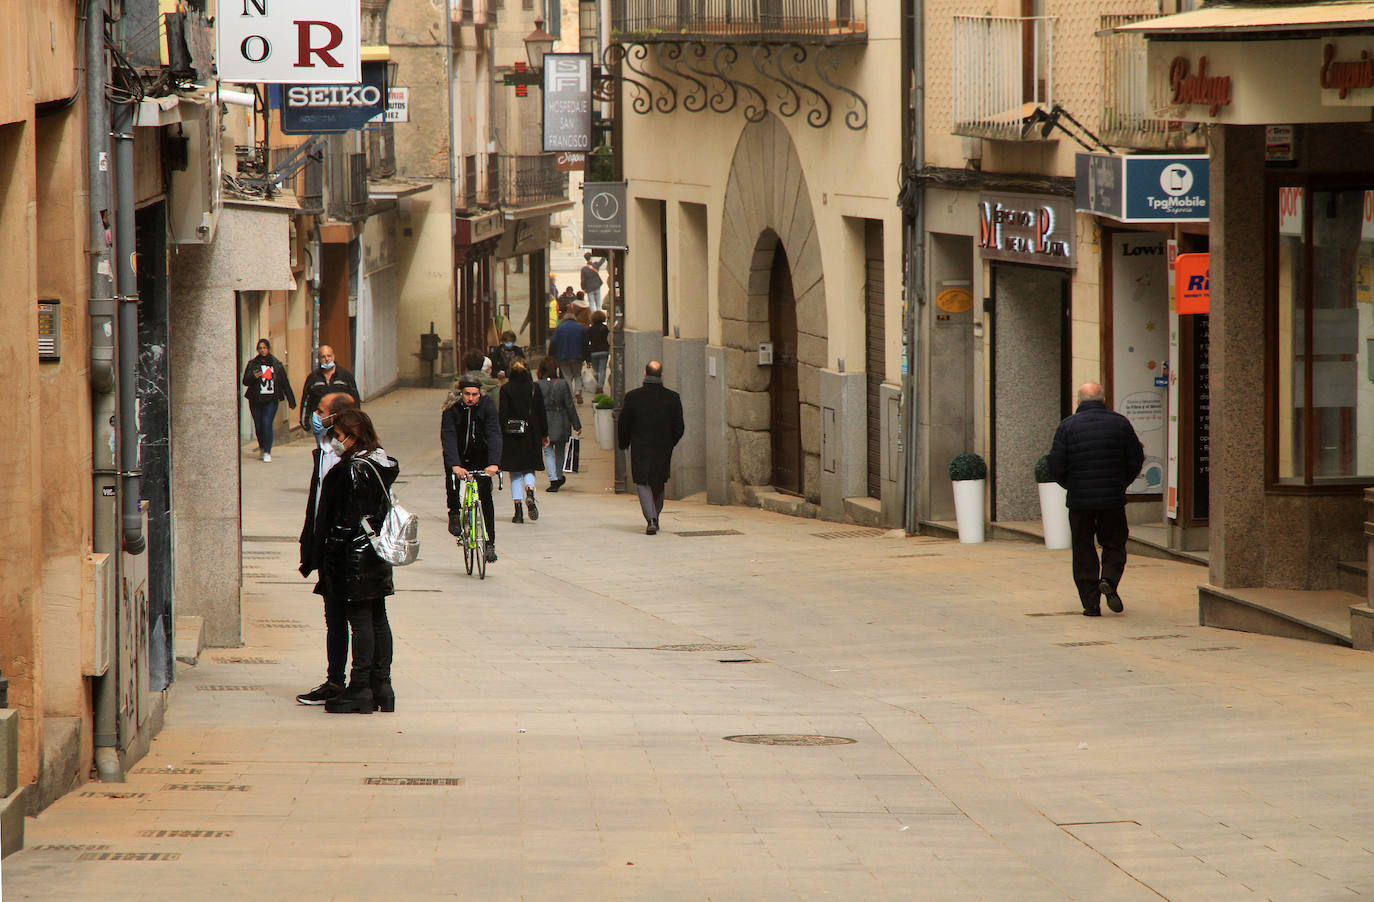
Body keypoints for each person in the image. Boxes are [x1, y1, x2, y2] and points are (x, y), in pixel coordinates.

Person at [298, 408, 398, 714]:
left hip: (352, 557)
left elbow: (343, 520)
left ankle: (360, 688)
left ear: (353, 437)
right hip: (376, 551)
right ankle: (381, 685)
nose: (335, 442)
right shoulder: (379, 463)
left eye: (339, 436)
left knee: (360, 621)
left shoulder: (351, 469)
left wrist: (326, 554)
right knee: (377, 617)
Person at [1048, 382, 1145, 617]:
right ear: (1103, 400)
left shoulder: (1067, 426)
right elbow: (1135, 458)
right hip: (1112, 499)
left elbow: (1056, 465)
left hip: (1080, 501)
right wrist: (1121, 483)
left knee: (1083, 548)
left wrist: (1071, 485)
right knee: (1114, 542)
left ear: (1078, 401)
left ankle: (1091, 604)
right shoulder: (1120, 423)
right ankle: (1109, 580)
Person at [295, 391, 359, 706]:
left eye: (320, 411)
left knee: (350, 616)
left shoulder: (351, 458)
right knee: (333, 615)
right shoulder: (325, 451)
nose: (315, 417)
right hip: (327, 545)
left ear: (336, 418)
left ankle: (350, 682)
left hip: (345, 550)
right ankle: (336, 678)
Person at [618, 361, 684, 535]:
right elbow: (679, 427)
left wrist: (624, 442)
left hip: (641, 446)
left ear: (644, 374)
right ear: (661, 376)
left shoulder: (633, 397)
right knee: (658, 481)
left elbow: (624, 424)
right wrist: (670, 442)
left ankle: (651, 518)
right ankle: (654, 514)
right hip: (663, 447)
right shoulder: (673, 398)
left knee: (642, 482)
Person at [440, 377, 502, 563]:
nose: (471, 398)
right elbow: (448, 436)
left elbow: (494, 433)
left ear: (479, 394)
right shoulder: (452, 408)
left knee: (486, 497)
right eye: (467, 394)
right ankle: (453, 512)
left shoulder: (487, 406)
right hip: (458, 455)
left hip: (480, 456)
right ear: (461, 393)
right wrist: (455, 465)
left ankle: (489, 543)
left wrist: (494, 463)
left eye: (474, 394)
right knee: (452, 480)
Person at [498, 359, 549, 523]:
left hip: (512, 433)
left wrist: (501, 432)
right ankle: (530, 491)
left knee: (514, 472)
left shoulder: (505, 389)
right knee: (529, 467)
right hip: (532, 432)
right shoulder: (534, 387)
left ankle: (518, 512)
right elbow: (541, 412)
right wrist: (544, 434)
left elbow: (503, 413)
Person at [241, 338, 296, 462]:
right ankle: (262, 447)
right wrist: (253, 377)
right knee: (259, 425)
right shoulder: (252, 364)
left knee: (266, 423)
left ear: (268, 349)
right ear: (257, 350)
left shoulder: (276, 364)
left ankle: (267, 451)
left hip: (271, 399)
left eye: (264, 347)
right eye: (260, 348)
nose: (262, 350)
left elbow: (284, 383)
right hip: (255, 399)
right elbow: (245, 381)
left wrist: (291, 400)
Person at [299, 345, 360, 448]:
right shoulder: (313, 378)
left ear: (333, 357)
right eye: (323, 357)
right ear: (319, 359)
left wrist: (357, 419)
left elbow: (354, 398)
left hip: (341, 420)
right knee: (324, 450)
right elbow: (306, 400)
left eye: (329, 356)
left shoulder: (345, 376)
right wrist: (304, 420)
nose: (326, 359)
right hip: (321, 421)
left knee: (340, 449)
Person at [536, 355, 581, 492]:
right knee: (560, 450)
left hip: (544, 420)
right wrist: (576, 424)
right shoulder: (562, 384)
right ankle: (559, 475)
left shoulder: (538, 385)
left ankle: (553, 478)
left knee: (548, 451)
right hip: (561, 419)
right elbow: (569, 405)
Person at [548, 309, 590, 404]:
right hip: (578, 356)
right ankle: (578, 391)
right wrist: (588, 358)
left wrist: (551, 356)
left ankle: (571, 397)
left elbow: (553, 343)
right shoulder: (580, 328)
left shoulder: (559, 328)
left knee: (567, 377)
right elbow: (586, 344)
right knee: (577, 375)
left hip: (563, 356)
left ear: (564, 319)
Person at [587, 310, 610, 396]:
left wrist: (587, 357)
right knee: (602, 369)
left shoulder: (590, 329)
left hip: (594, 351)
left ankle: (597, 385)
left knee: (596, 370)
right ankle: (600, 386)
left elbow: (587, 341)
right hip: (604, 350)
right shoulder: (605, 328)